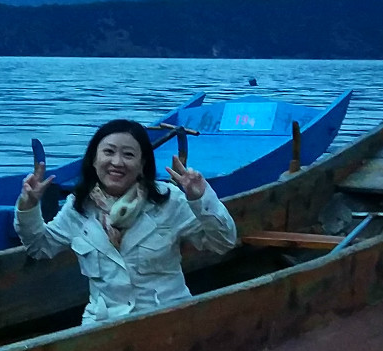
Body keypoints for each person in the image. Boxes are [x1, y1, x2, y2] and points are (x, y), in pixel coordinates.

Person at [15, 118, 238, 326]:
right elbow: (39, 246)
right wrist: (28, 206)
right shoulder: (78, 206)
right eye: (109, 152)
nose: (117, 162)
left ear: (142, 164)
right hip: (102, 325)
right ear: (94, 159)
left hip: (167, 321)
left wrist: (201, 199)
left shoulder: (170, 200)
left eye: (129, 155)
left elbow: (223, 243)